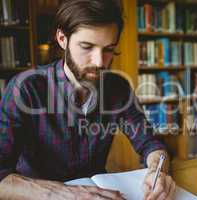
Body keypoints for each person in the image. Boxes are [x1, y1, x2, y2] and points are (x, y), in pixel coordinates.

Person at [0, 0, 176, 199]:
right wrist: (67, 194)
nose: (99, 62)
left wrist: (158, 171)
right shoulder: (24, 89)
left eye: (109, 49)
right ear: (62, 39)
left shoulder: (117, 87)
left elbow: (150, 143)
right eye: (87, 46)